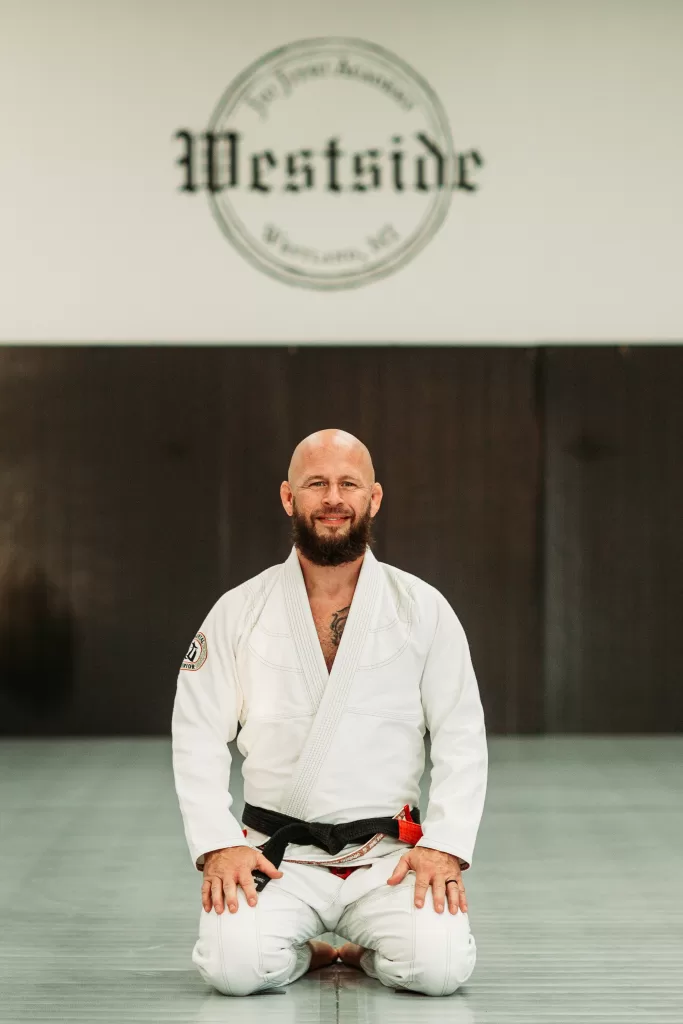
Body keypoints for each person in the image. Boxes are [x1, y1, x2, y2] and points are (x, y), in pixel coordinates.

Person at [171, 428, 488, 997]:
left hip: (388, 857)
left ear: (375, 498)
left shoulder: (424, 608)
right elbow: (195, 734)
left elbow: (461, 734)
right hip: (277, 856)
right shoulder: (239, 609)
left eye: (349, 484)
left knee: (439, 970)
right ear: (289, 498)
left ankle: (364, 951)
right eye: (317, 484)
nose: (334, 498)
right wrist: (218, 843)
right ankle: (316, 953)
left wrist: (445, 845)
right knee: (231, 970)